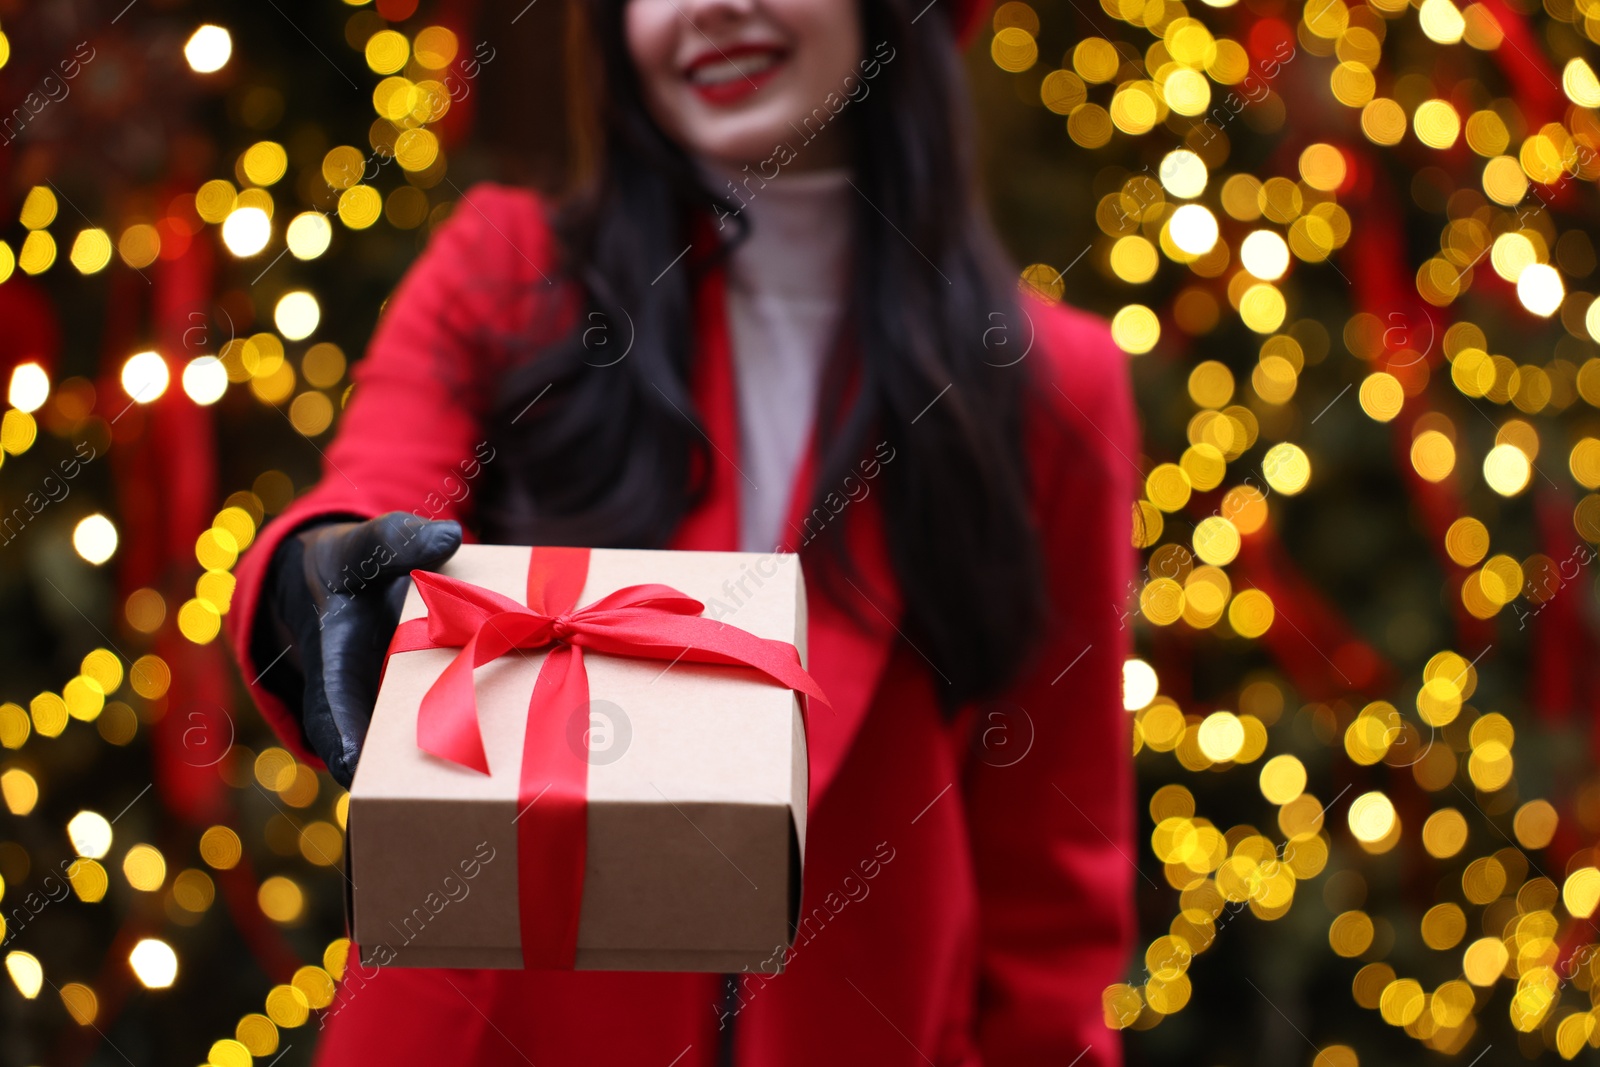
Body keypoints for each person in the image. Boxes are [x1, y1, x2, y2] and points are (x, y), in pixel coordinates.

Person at [225, 0, 1142, 1059]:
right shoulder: (506, 270)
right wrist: (320, 573)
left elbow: (1049, 880)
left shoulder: (1044, 388)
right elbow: (374, 487)